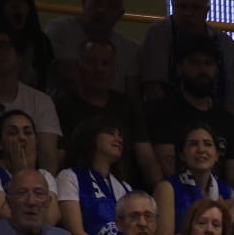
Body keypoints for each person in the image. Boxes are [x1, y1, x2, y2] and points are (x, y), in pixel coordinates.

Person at [53, 38, 158, 191]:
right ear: (78, 66)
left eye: (105, 63)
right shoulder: (62, 107)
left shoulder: (127, 105)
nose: (98, 69)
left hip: (125, 190)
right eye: (92, 62)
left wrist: (162, 190)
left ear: (114, 69)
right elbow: (60, 158)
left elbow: (147, 159)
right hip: (78, 189)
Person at [141, 35, 234, 187]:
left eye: (208, 63)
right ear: (179, 67)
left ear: (216, 69)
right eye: (194, 63)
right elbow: (167, 169)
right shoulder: (163, 112)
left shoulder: (226, 119)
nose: (202, 70)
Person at [0, 27, 60, 171]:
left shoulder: (41, 100)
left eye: (4, 45)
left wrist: (50, 188)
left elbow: (48, 155)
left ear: (19, 56)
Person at [136, 0, 234, 105]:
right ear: (173, 7)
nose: (188, 13)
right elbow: (153, 88)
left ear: (206, 11)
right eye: (182, 7)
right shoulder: (158, 33)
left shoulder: (226, 45)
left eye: (195, 7)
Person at [0, 107, 57, 233]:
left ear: (36, 140)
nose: (22, 138)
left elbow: (51, 220)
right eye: (13, 133)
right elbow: (6, 215)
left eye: (28, 133)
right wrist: (22, 173)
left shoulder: (45, 176)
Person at [153, 122, 234, 235]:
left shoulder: (227, 193)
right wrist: (204, 224)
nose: (201, 149)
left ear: (216, 155)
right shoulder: (168, 188)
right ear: (182, 155)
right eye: (193, 144)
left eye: (207, 144)